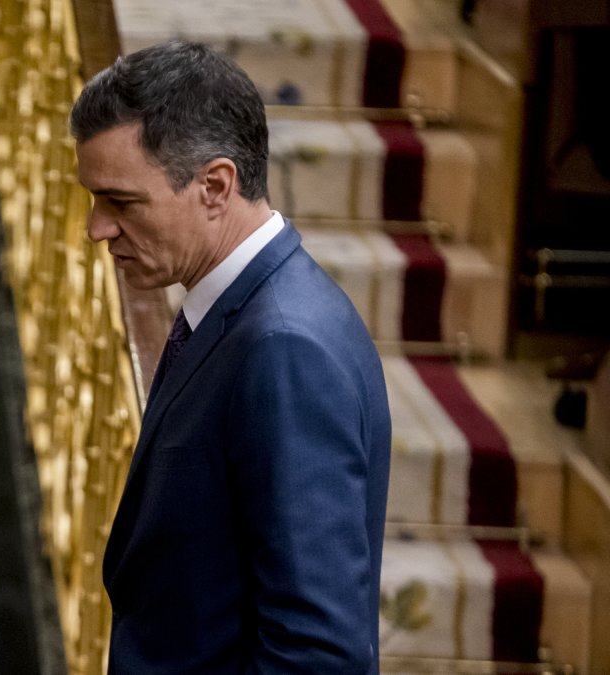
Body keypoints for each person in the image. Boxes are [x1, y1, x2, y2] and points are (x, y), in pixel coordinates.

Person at [71, 40, 391, 673]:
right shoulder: (238, 313)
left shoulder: (284, 348)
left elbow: (317, 656)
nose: (96, 228)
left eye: (121, 202)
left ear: (215, 185)